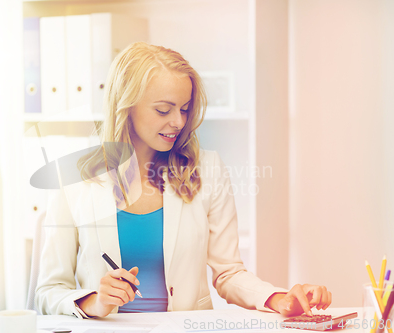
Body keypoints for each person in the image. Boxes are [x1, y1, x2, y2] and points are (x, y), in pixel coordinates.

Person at [34, 42, 332, 319]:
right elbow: (48, 292)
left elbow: (228, 273)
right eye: (164, 109)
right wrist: (97, 301)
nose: (178, 121)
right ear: (126, 106)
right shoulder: (71, 179)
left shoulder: (208, 168)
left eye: (185, 109)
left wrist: (278, 299)